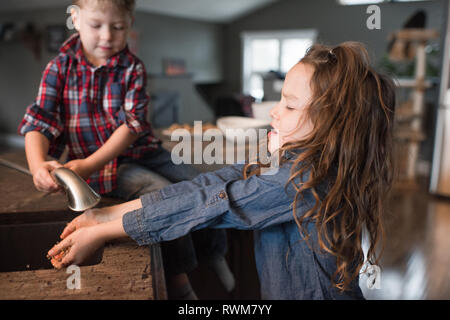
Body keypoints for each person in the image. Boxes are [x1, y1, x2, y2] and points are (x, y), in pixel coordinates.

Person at [47, 42, 396, 299]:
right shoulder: (295, 162)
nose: (274, 112)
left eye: (289, 105)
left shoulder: (304, 181)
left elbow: (215, 203)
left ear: (332, 124)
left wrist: (106, 230)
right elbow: (214, 184)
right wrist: (105, 217)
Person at [18, 0, 232, 300]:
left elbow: (132, 126)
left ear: (129, 24)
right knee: (159, 194)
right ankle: (179, 277)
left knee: (202, 183)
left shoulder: (132, 67)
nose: (107, 36)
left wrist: (88, 164)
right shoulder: (58, 68)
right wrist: (37, 164)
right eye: (96, 26)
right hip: (109, 166)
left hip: (143, 151)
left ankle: (213, 252)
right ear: (76, 19)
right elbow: (39, 122)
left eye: (117, 27)